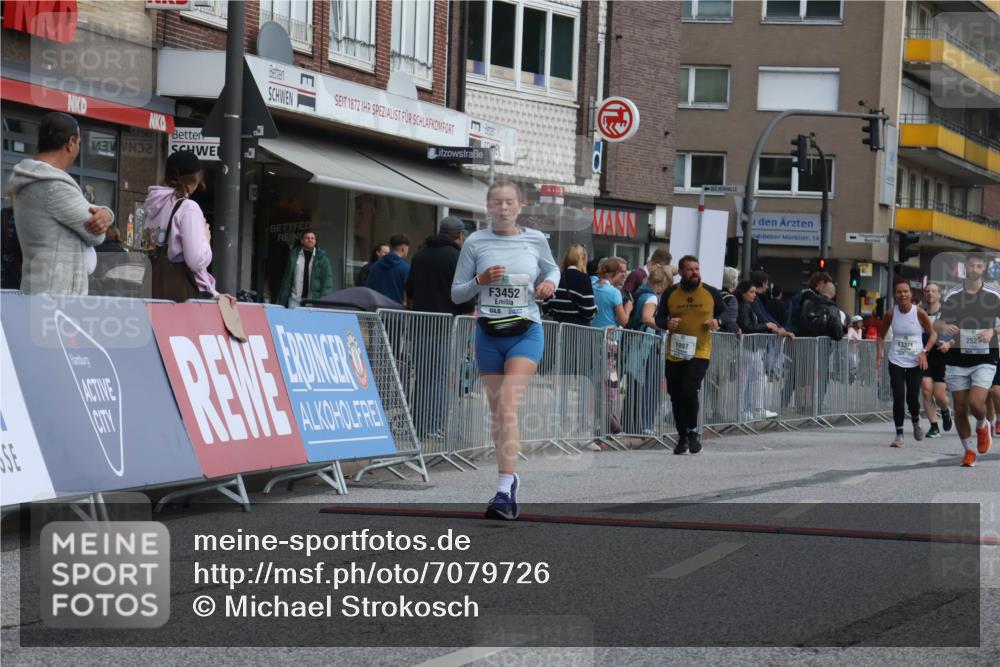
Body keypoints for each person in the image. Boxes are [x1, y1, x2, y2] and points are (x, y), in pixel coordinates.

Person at [451, 179, 559, 520]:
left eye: (509, 202)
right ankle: (509, 479)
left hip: (526, 332)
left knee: (508, 404)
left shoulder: (535, 239)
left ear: (520, 205)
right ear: (487, 206)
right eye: (496, 202)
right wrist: (480, 281)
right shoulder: (475, 242)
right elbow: (456, 293)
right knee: (499, 412)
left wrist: (549, 284)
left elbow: (552, 267)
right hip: (488, 334)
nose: (503, 207)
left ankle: (501, 490)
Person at [6, 112, 113, 295]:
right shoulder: (54, 186)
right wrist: (107, 216)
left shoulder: (29, 179)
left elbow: (94, 218)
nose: (78, 149)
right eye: (79, 143)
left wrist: (106, 213)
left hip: (37, 287)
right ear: (71, 143)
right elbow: (96, 236)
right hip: (59, 297)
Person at [655, 255, 725, 455]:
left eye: (697, 268)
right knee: (675, 395)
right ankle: (682, 436)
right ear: (682, 272)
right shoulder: (671, 293)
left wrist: (718, 322)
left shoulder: (710, 292)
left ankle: (693, 432)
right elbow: (659, 317)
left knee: (689, 389)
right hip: (675, 352)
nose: (695, 273)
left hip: (700, 351)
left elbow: (727, 312)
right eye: (690, 269)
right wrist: (666, 323)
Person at [936, 252, 1000, 467]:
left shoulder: (994, 294)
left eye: (979, 266)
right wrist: (944, 328)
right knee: (960, 408)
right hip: (956, 358)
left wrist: (993, 330)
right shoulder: (952, 294)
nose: (974, 269)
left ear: (984, 269)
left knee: (975, 402)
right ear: (965, 267)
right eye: (971, 265)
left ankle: (983, 425)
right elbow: (938, 324)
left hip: (985, 356)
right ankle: (969, 451)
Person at [145, 149, 220, 298]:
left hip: (154, 287)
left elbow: (149, 246)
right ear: (194, 179)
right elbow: (195, 261)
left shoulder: (152, 205)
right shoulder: (188, 208)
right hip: (183, 295)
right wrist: (206, 237)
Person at [877, 278, 937, 448]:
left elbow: (933, 335)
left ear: (911, 294)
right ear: (895, 295)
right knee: (898, 396)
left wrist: (924, 352)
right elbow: (880, 335)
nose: (902, 294)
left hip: (915, 361)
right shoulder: (891, 313)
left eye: (905, 291)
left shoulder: (919, 313)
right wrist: (880, 351)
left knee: (912, 397)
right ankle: (899, 434)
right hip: (895, 359)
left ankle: (916, 420)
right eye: (899, 292)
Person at [622, 267, 670, 434]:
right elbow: (647, 318)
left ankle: (630, 423)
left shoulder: (640, 293)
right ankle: (644, 424)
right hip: (647, 345)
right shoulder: (651, 297)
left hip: (636, 343)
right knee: (649, 386)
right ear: (663, 283)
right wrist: (665, 326)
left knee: (635, 385)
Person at [404, 216, 474, 315]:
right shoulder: (458, 258)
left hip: (419, 323)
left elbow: (409, 291)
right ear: (460, 235)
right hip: (448, 324)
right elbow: (465, 295)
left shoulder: (419, 255)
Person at [919, 282, 953, 438]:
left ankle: (945, 411)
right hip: (925, 354)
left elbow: (959, 332)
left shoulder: (947, 313)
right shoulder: (920, 313)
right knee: (926, 389)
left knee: (939, 395)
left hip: (943, 355)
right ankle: (934, 426)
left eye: (934, 291)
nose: (930, 293)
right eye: (927, 291)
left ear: (939, 294)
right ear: (924, 294)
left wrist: (949, 343)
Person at [276, 228, 333, 307]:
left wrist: (324, 299)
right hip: (294, 299)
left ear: (315, 241)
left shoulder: (322, 258)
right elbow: (287, 278)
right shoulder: (293, 256)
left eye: (312, 238)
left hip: (312, 300)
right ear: (302, 241)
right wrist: (282, 298)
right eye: (307, 238)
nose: (310, 240)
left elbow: (327, 280)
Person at [545, 243, 596, 325]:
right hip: (578, 330)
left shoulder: (557, 276)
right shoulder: (584, 278)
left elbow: (546, 306)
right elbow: (588, 311)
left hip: (556, 328)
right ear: (583, 259)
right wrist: (596, 310)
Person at [365, 234, 410, 303]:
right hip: (396, 310)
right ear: (403, 248)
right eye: (408, 249)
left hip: (377, 309)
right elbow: (409, 293)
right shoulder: (405, 268)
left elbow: (368, 288)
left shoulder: (376, 265)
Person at [592, 257, 631, 329]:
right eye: (622, 272)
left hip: (590, 335)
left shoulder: (592, 286)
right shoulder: (614, 292)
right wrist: (628, 308)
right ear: (613, 272)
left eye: (625, 272)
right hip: (608, 337)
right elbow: (624, 322)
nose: (624, 275)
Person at [717, 266, 740, 334]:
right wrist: (737, 329)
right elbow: (730, 322)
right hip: (724, 337)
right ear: (734, 283)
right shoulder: (732, 299)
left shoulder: (714, 294)